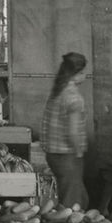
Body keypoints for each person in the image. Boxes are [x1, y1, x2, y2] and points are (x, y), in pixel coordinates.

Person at [42, 52, 90, 209]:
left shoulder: (57, 92)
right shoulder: (74, 97)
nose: (85, 75)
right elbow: (72, 132)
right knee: (72, 203)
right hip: (67, 155)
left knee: (75, 196)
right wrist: (79, 151)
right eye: (82, 72)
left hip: (53, 154)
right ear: (74, 74)